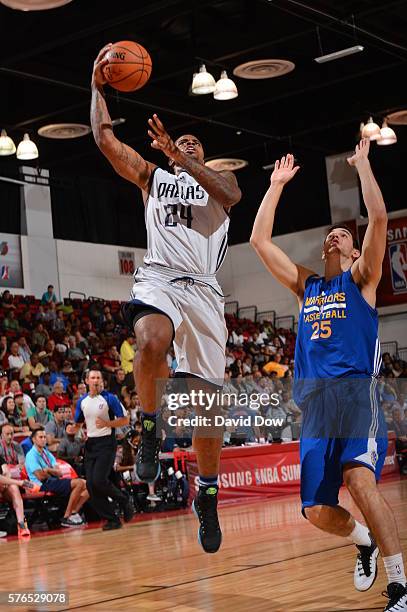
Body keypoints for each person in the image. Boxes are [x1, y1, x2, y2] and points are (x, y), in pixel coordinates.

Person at [90, 44, 241, 553]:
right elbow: (106, 141)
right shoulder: (154, 181)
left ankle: (209, 495)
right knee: (151, 339)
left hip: (205, 292)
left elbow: (232, 195)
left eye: (197, 143)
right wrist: (96, 89)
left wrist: (182, 156)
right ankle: (149, 428)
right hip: (160, 277)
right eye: (184, 141)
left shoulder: (219, 184)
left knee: (206, 409)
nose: (189, 144)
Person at [250, 141, 407, 611]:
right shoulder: (307, 286)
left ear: (355, 248)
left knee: (360, 483)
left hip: (356, 396)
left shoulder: (363, 278)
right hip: (316, 406)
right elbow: (260, 242)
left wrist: (362, 167)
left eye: (344, 234)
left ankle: (400, 586)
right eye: (331, 233)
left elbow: (378, 218)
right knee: (316, 509)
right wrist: (275, 187)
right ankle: (364, 542)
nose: (336, 236)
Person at [72, 368, 133, 530]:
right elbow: (78, 424)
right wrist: (72, 429)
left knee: (99, 480)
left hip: (107, 442)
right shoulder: (82, 401)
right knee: (91, 486)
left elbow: (125, 420)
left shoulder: (110, 398)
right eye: (93, 377)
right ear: (87, 381)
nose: (96, 380)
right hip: (91, 444)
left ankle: (124, 499)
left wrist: (108, 424)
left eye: (98, 377)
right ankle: (112, 519)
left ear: (102, 381)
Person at [25, 428, 88, 527]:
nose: (43, 439)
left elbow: (59, 473)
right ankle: (67, 517)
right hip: (42, 485)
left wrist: (48, 470)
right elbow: (41, 477)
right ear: (34, 439)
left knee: (88, 485)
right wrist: (51, 471)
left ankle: (73, 511)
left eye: (45, 437)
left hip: (53, 481)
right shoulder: (31, 455)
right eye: (40, 437)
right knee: (80, 483)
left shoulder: (46, 453)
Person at [0, 454, 32, 537]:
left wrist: (6, 481)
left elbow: (7, 471)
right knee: (15, 484)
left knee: (14, 488)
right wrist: (20, 483)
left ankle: (21, 524)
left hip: (2, 487)